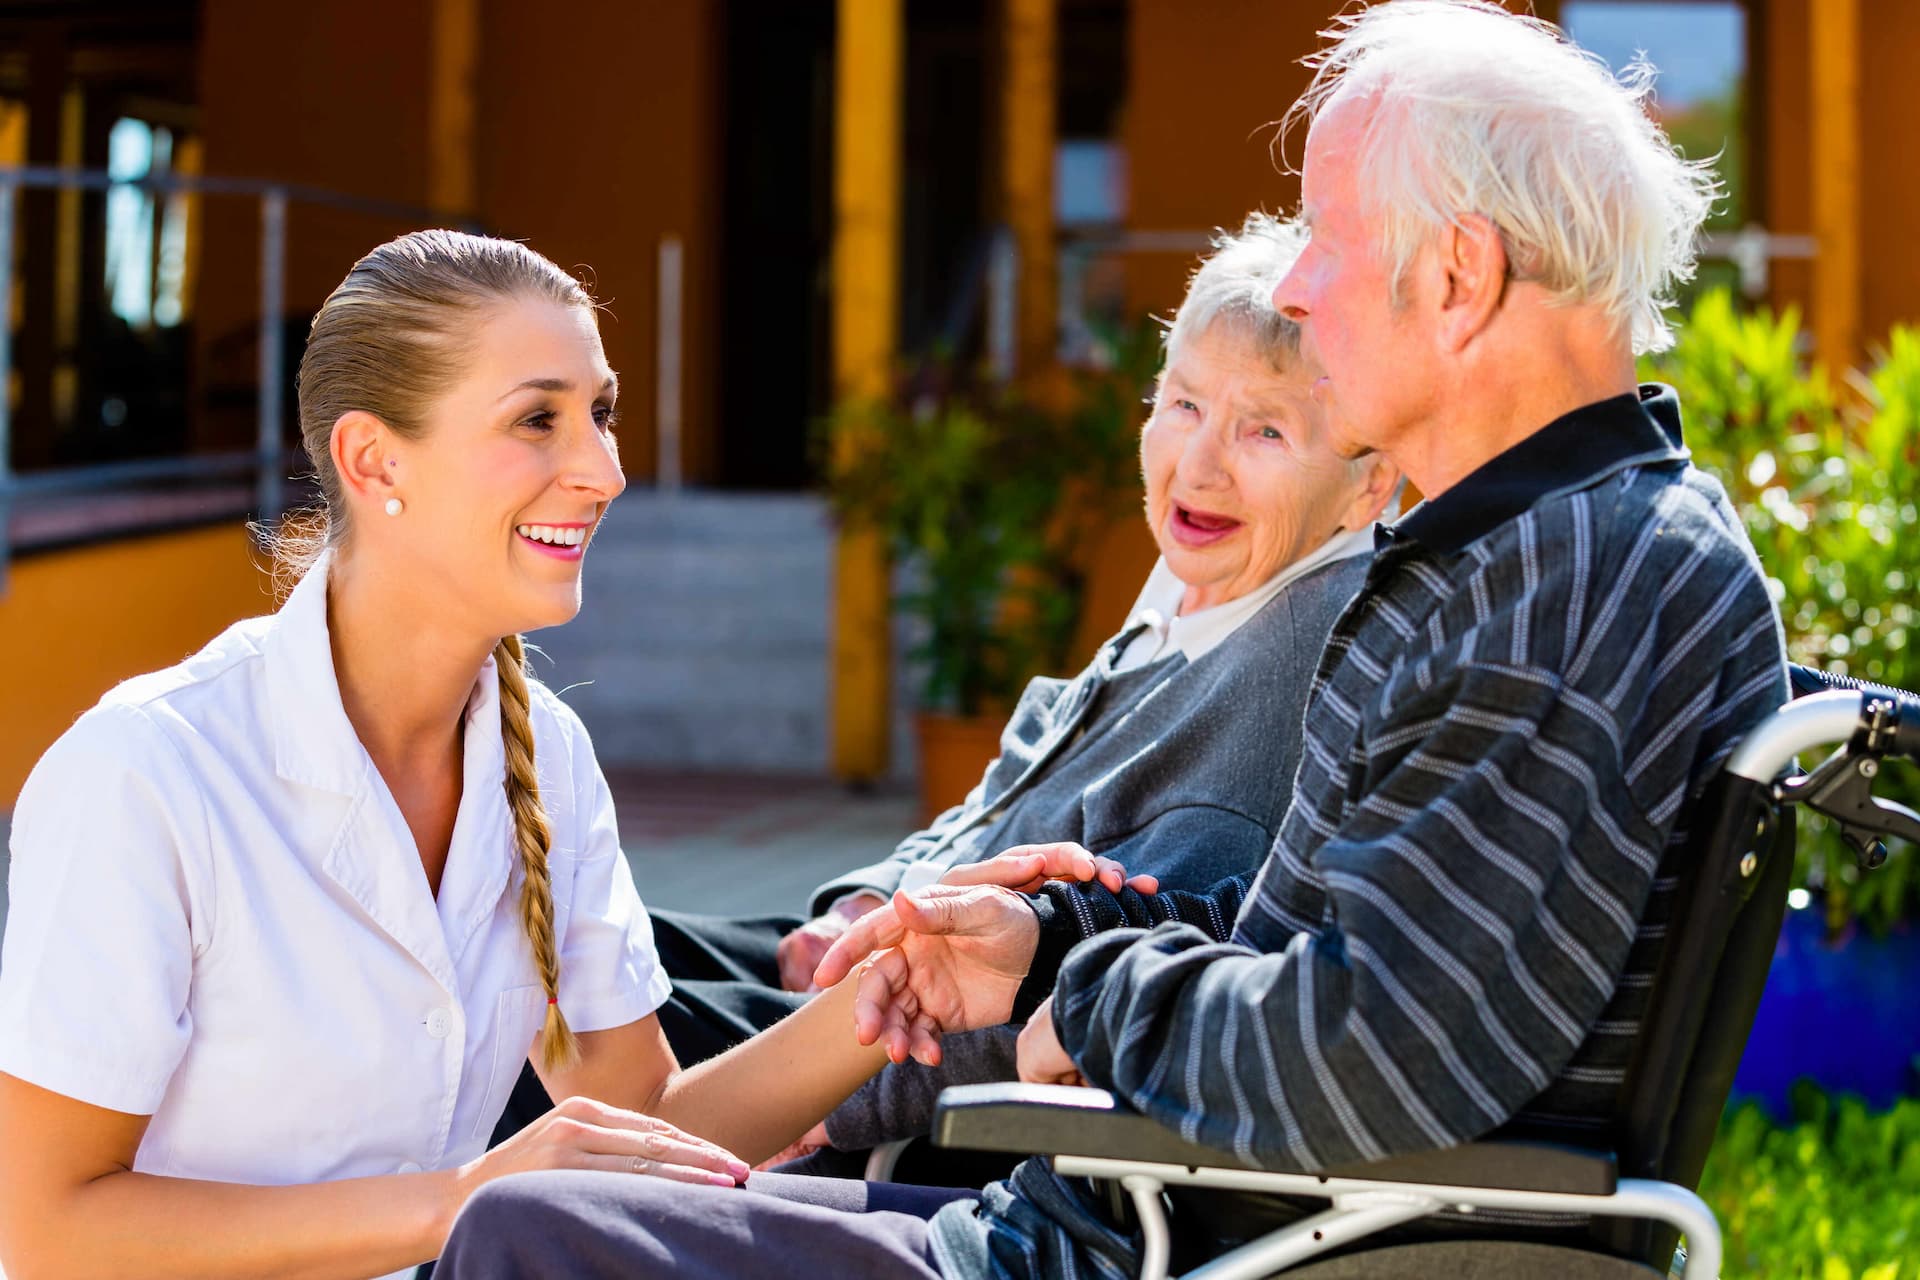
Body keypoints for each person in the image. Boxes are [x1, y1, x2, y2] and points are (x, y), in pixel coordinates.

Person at [434, 1, 1791, 1276]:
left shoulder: (1564, 585)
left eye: (1327, 238)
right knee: (528, 1187)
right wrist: (1049, 939)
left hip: (1124, 1246)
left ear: (1458, 275)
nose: (1300, 291)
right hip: (1117, 1217)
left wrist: (1088, 1000)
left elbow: (1361, 1053)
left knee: (526, 1236)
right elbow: (1336, 978)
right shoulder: (1545, 551)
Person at [0, 231, 973, 1279]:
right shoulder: (146, 775)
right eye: (537, 420)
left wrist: (889, 986)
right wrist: (458, 1204)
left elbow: (638, 1123)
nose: (604, 471)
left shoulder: (544, 753)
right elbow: (47, 1231)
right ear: (374, 461)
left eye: (598, 413)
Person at [618, 212, 1399, 1163]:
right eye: (1184, 405)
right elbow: (1000, 803)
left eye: (1264, 431)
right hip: (882, 969)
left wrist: (831, 1115)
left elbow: (1100, 981)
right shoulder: (1204, 585)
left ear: (1370, 485)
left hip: (904, 1058)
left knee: (559, 1034)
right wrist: (866, 899)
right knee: (576, 961)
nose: (1198, 465)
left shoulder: (1292, 664)